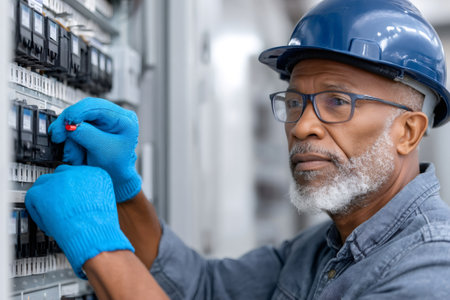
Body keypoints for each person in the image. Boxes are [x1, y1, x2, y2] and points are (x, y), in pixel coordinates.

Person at [24, 0, 450, 299]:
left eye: (337, 102)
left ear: (408, 132)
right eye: (296, 102)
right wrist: (124, 191)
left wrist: (99, 247)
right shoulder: (320, 250)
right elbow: (201, 289)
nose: (302, 126)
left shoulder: (430, 272)